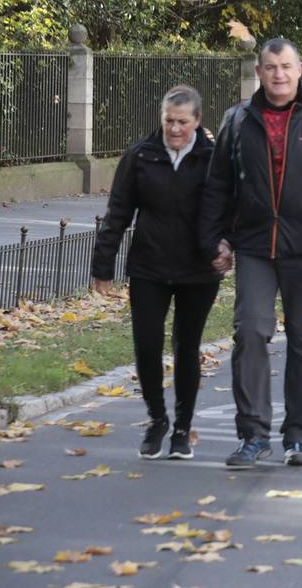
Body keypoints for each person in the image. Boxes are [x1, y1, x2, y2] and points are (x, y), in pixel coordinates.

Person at [202, 38, 302, 469]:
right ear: (259, 72)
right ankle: (253, 436)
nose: (279, 74)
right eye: (270, 67)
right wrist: (217, 239)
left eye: (286, 66)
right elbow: (218, 187)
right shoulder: (237, 121)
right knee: (250, 333)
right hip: (254, 248)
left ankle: (297, 436)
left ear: (299, 70)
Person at [91, 85, 222, 461]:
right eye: (169, 121)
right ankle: (157, 419)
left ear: (197, 121)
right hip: (149, 266)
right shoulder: (140, 156)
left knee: (187, 347)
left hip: (197, 270)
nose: (175, 129)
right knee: (147, 346)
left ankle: (182, 429)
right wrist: (103, 266)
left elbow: (228, 209)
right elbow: (118, 212)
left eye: (182, 122)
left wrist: (226, 245)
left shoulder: (213, 159)